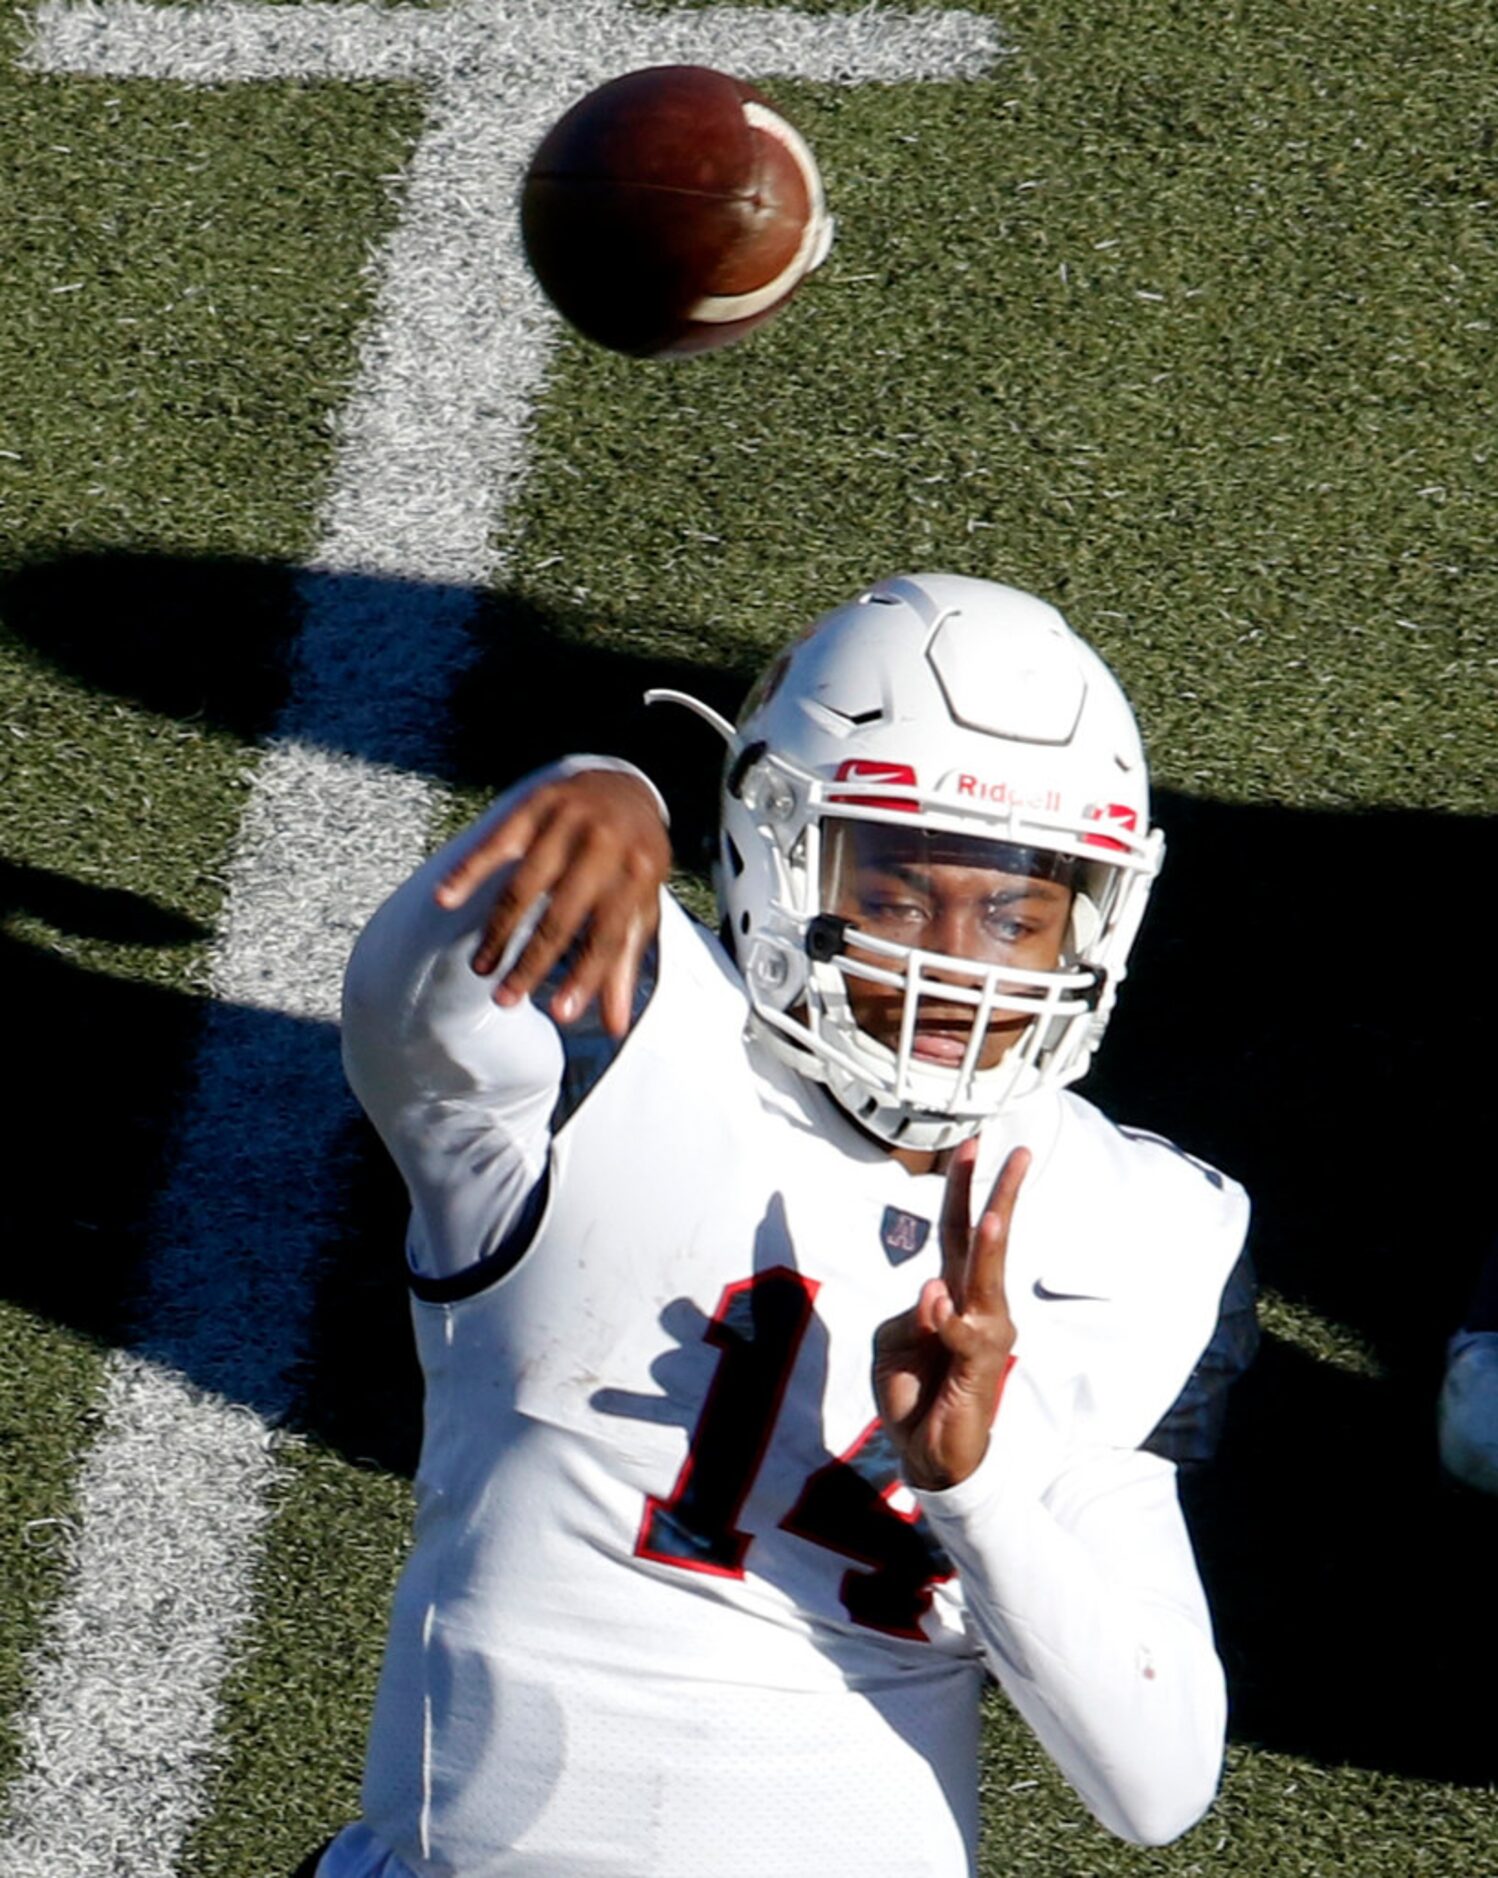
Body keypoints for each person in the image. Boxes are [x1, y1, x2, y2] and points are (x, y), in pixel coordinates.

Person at [319, 574, 1252, 1878]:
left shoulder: (1144, 1232)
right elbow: (405, 1008)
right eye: (897, 891)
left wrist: (973, 1488)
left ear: (1093, 921)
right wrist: (585, 797)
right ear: (774, 844)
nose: (958, 960)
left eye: (1015, 910)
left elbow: (1155, 1779)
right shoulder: (625, 1037)